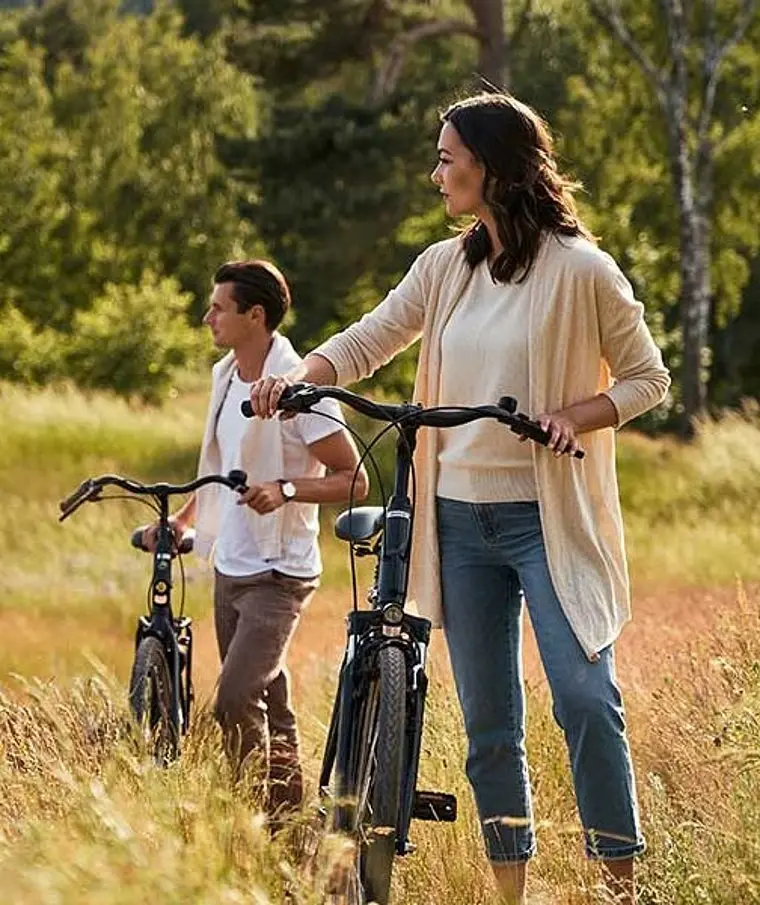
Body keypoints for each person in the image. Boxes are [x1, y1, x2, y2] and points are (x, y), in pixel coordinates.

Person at [248, 93, 670, 904]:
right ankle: (510, 889)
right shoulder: (446, 265)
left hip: (546, 519)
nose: (436, 172)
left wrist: (573, 414)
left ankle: (623, 886)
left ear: (493, 166)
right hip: (458, 519)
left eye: (448, 158)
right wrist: (296, 378)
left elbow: (649, 377)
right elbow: (370, 337)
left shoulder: (582, 270)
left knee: (585, 699)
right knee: (488, 727)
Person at [146, 259, 368, 823]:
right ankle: (292, 835)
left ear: (255, 315)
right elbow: (223, 465)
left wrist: (288, 488)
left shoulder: (299, 389)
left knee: (234, 698)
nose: (207, 317)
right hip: (232, 567)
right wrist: (186, 521)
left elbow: (354, 478)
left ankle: (255, 818)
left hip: (279, 572)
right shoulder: (226, 375)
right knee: (270, 700)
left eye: (218, 308)